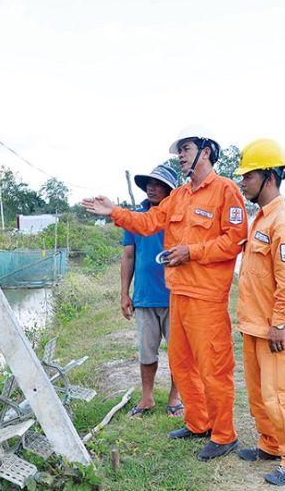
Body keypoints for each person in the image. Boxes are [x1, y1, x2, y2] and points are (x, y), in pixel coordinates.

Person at [83, 126, 247, 461]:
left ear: (207, 152)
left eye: (186, 149)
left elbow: (235, 239)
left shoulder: (226, 191)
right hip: (178, 293)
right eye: (179, 152)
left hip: (207, 297)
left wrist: (193, 252)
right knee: (182, 363)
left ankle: (224, 433)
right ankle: (198, 422)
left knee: (213, 366)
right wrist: (114, 211)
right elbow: (146, 223)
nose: (181, 156)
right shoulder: (179, 197)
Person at [233, 139, 285, 486]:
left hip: (278, 328)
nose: (242, 182)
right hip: (256, 325)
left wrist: (281, 322)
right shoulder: (261, 220)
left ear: (269, 177)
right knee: (261, 394)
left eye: (248, 176)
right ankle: (270, 444)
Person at [121, 164, 183, 418]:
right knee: (147, 351)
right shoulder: (135, 218)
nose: (151, 187)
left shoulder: (179, 217)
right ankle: (147, 397)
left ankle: (175, 397)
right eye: (148, 183)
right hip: (145, 297)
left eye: (158, 184)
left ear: (170, 190)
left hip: (175, 296)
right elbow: (128, 255)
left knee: (178, 353)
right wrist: (125, 293)